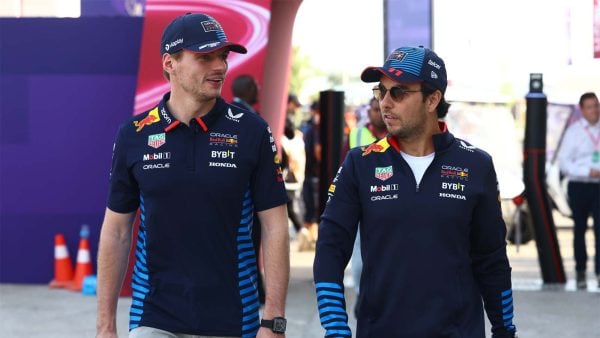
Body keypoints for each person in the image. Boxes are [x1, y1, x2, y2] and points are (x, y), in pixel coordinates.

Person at [96, 13, 290, 338]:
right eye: (204, 57)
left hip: (233, 319)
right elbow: (116, 231)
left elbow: (275, 227)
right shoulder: (133, 135)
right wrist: (105, 327)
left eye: (222, 56)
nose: (220, 67)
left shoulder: (252, 131)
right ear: (169, 63)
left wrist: (273, 320)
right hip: (153, 316)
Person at [313, 46, 518, 337]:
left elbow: (492, 260)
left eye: (398, 93)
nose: (385, 103)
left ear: (433, 99)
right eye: (380, 91)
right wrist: (335, 328)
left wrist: (504, 330)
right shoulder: (360, 162)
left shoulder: (476, 164)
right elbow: (330, 249)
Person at [230, 74, 267, 304]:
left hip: (249, 195)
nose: (259, 90)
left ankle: (258, 289)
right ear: (248, 89)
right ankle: (254, 290)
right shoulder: (242, 118)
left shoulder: (245, 115)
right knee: (248, 244)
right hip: (245, 197)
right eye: (256, 86)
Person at [346, 97, 387, 307]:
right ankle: (363, 296)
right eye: (373, 109)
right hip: (363, 202)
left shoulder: (398, 135)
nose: (378, 113)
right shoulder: (358, 134)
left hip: (389, 203)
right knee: (360, 255)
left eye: (379, 109)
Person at [558, 92, 600, 290]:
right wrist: (587, 171)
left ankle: (599, 273)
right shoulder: (574, 132)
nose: (595, 110)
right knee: (580, 229)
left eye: (596, 106)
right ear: (582, 110)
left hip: (599, 186)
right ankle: (581, 271)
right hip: (579, 185)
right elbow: (565, 163)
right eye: (590, 107)